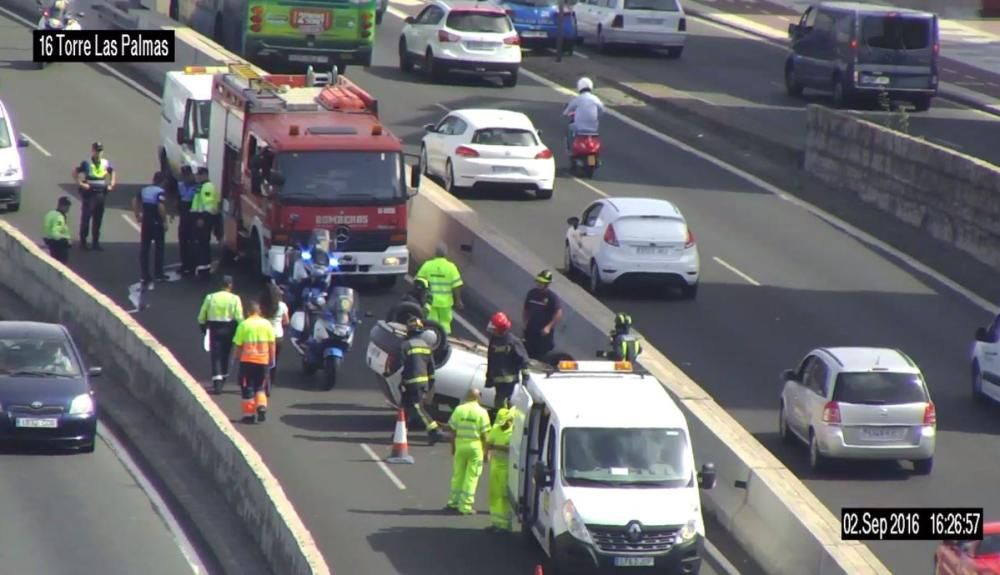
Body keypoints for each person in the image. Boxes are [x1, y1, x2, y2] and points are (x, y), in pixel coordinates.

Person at [399, 317, 445, 445]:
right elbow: (431, 368)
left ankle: (434, 430)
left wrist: (399, 381)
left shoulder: (406, 345)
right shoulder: (427, 346)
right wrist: (430, 385)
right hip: (423, 382)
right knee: (405, 407)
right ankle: (400, 432)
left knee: (417, 407)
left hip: (411, 382)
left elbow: (399, 365)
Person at [446, 388, 491, 516]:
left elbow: (452, 431)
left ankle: (453, 502)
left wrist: (453, 447)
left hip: (460, 445)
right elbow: (486, 436)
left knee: (458, 475)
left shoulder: (459, 410)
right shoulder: (482, 412)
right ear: (478, 397)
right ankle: (465, 506)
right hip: (475, 447)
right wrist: (487, 453)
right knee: (471, 477)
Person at [197, 275, 244, 393]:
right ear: (230, 285)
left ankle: (217, 380)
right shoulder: (235, 299)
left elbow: (202, 315)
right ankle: (224, 376)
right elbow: (239, 317)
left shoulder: (210, 297)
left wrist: (203, 326)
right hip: (229, 328)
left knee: (215, 354)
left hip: (214, 327)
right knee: (226, 353)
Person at [232, 302, 276, 423]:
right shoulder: (267, 324)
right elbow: (272, 344)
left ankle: (249, 415)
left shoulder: (244, 325)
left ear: (248, 312)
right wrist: (272, 359)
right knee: (260, 387)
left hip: (247, 361)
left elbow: (238, 345)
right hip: (263, 361)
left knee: (247, 388)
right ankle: (261, 406)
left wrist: (236, 358)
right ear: (259, 311)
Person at [484, 311, 529, 417]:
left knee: (502, 405)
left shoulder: (512, 342)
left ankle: (504, 424)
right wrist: (489, 377)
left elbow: (523, 361)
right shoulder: (494, 340)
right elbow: (491, 359)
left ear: (499, 329)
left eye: (494, 328)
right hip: (497, 380)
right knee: (499, 403)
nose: (492, 330)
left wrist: (525, 379)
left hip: (508, 381)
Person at [73, 141, 116, 251]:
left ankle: (95, 242)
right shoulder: (87, 163)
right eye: (97, 150)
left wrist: (112, 183)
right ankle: (83, 241)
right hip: (90, 193)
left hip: (101, 192)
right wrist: (81, 184)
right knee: (86, 218)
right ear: (92, 151)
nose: (98, 153)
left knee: (98, 218)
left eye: (100, 150)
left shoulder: (105, 163)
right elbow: (75, 172)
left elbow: (112, 172)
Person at [415, 243, 464, 335]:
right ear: (446, 253)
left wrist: (419, 296)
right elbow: (456, 285)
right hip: (445, 303)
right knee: (445, 324)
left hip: (430, 301)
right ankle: (444, 340)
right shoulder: (451, 267)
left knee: (431, 324)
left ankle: (431, 341)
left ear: (435, 253)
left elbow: (418, 282)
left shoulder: (428, 265)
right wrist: (458, 300)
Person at [133, 172, 170, 289]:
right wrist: (164, 221)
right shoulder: (159, 192)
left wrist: (137, 215)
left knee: (145, 248)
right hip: (156, 222)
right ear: (162, 181)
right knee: (159, 248)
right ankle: (158, 274)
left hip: (146, 222)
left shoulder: (145, 190)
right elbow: (161, 206)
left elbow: (134, 200)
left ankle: (145, 275)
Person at [522, 269, 563, 360]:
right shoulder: (531, 293)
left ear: (547, 284)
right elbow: (526, 310)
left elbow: (558, 313)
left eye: (542, 282)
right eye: (539, 282)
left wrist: (548, 327)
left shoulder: (552, 297)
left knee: (542, 358)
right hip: (531, 331)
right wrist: (525, 323)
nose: (539, 284)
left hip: (543, 335)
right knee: (527, 355)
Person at [485, 406, 514, 532]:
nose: (504, 425)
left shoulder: (513, 432)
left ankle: (505, 524)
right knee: (494, 495)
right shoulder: (496, 429)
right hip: (495, 466)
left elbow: (511, 449)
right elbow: (488, 442)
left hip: (507, 468)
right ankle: (496, 522)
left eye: (506, 422)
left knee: (503, 496)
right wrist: (487, 454)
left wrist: (495, 447)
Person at [190, 167, 220, 278]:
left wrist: (202, 218)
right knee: (200, 244)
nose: (196, 177)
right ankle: (202, 267)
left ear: (204, 175)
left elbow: (209, 205)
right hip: (198, 218)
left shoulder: (207, 187)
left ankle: (204, 270)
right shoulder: (201, 186)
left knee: (202, 244)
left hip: (203, 219)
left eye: (198, 175)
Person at [259, 282, 289, 393]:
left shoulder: (262, 305)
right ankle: (270, 382)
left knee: (263, 360)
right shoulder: (282, 306)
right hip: (277, 336)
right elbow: (286, 321)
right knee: (273, 360)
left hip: (263, 336)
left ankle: (262, 380)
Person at [563, 77, 605, 152]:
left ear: (579, 87)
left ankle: (570, 150)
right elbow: (602, 110)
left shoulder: (578, 99)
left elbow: (566, 111)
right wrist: (597, 115)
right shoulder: (595, 98)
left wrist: (564, 114)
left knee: (569, 129)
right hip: (594, 129)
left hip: (580, 129)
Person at [176, 165, 198, 276]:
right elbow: (179, 199)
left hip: (193, 216)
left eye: (186, 175)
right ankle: (184, 264)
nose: (185, 178)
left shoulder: (197, 187)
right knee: (183, 241)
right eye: (183, 176)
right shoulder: (181, 185)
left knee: (192, 243)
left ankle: (192, 267)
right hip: (184, 215)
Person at [42, 196, 72, 264]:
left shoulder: (51, 213)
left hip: (49, 242)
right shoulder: (59, 217)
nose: (68, 208)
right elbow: (55, 233)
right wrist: (65, 240)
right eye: (66, 206)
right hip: (59, 246)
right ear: (61, 206)